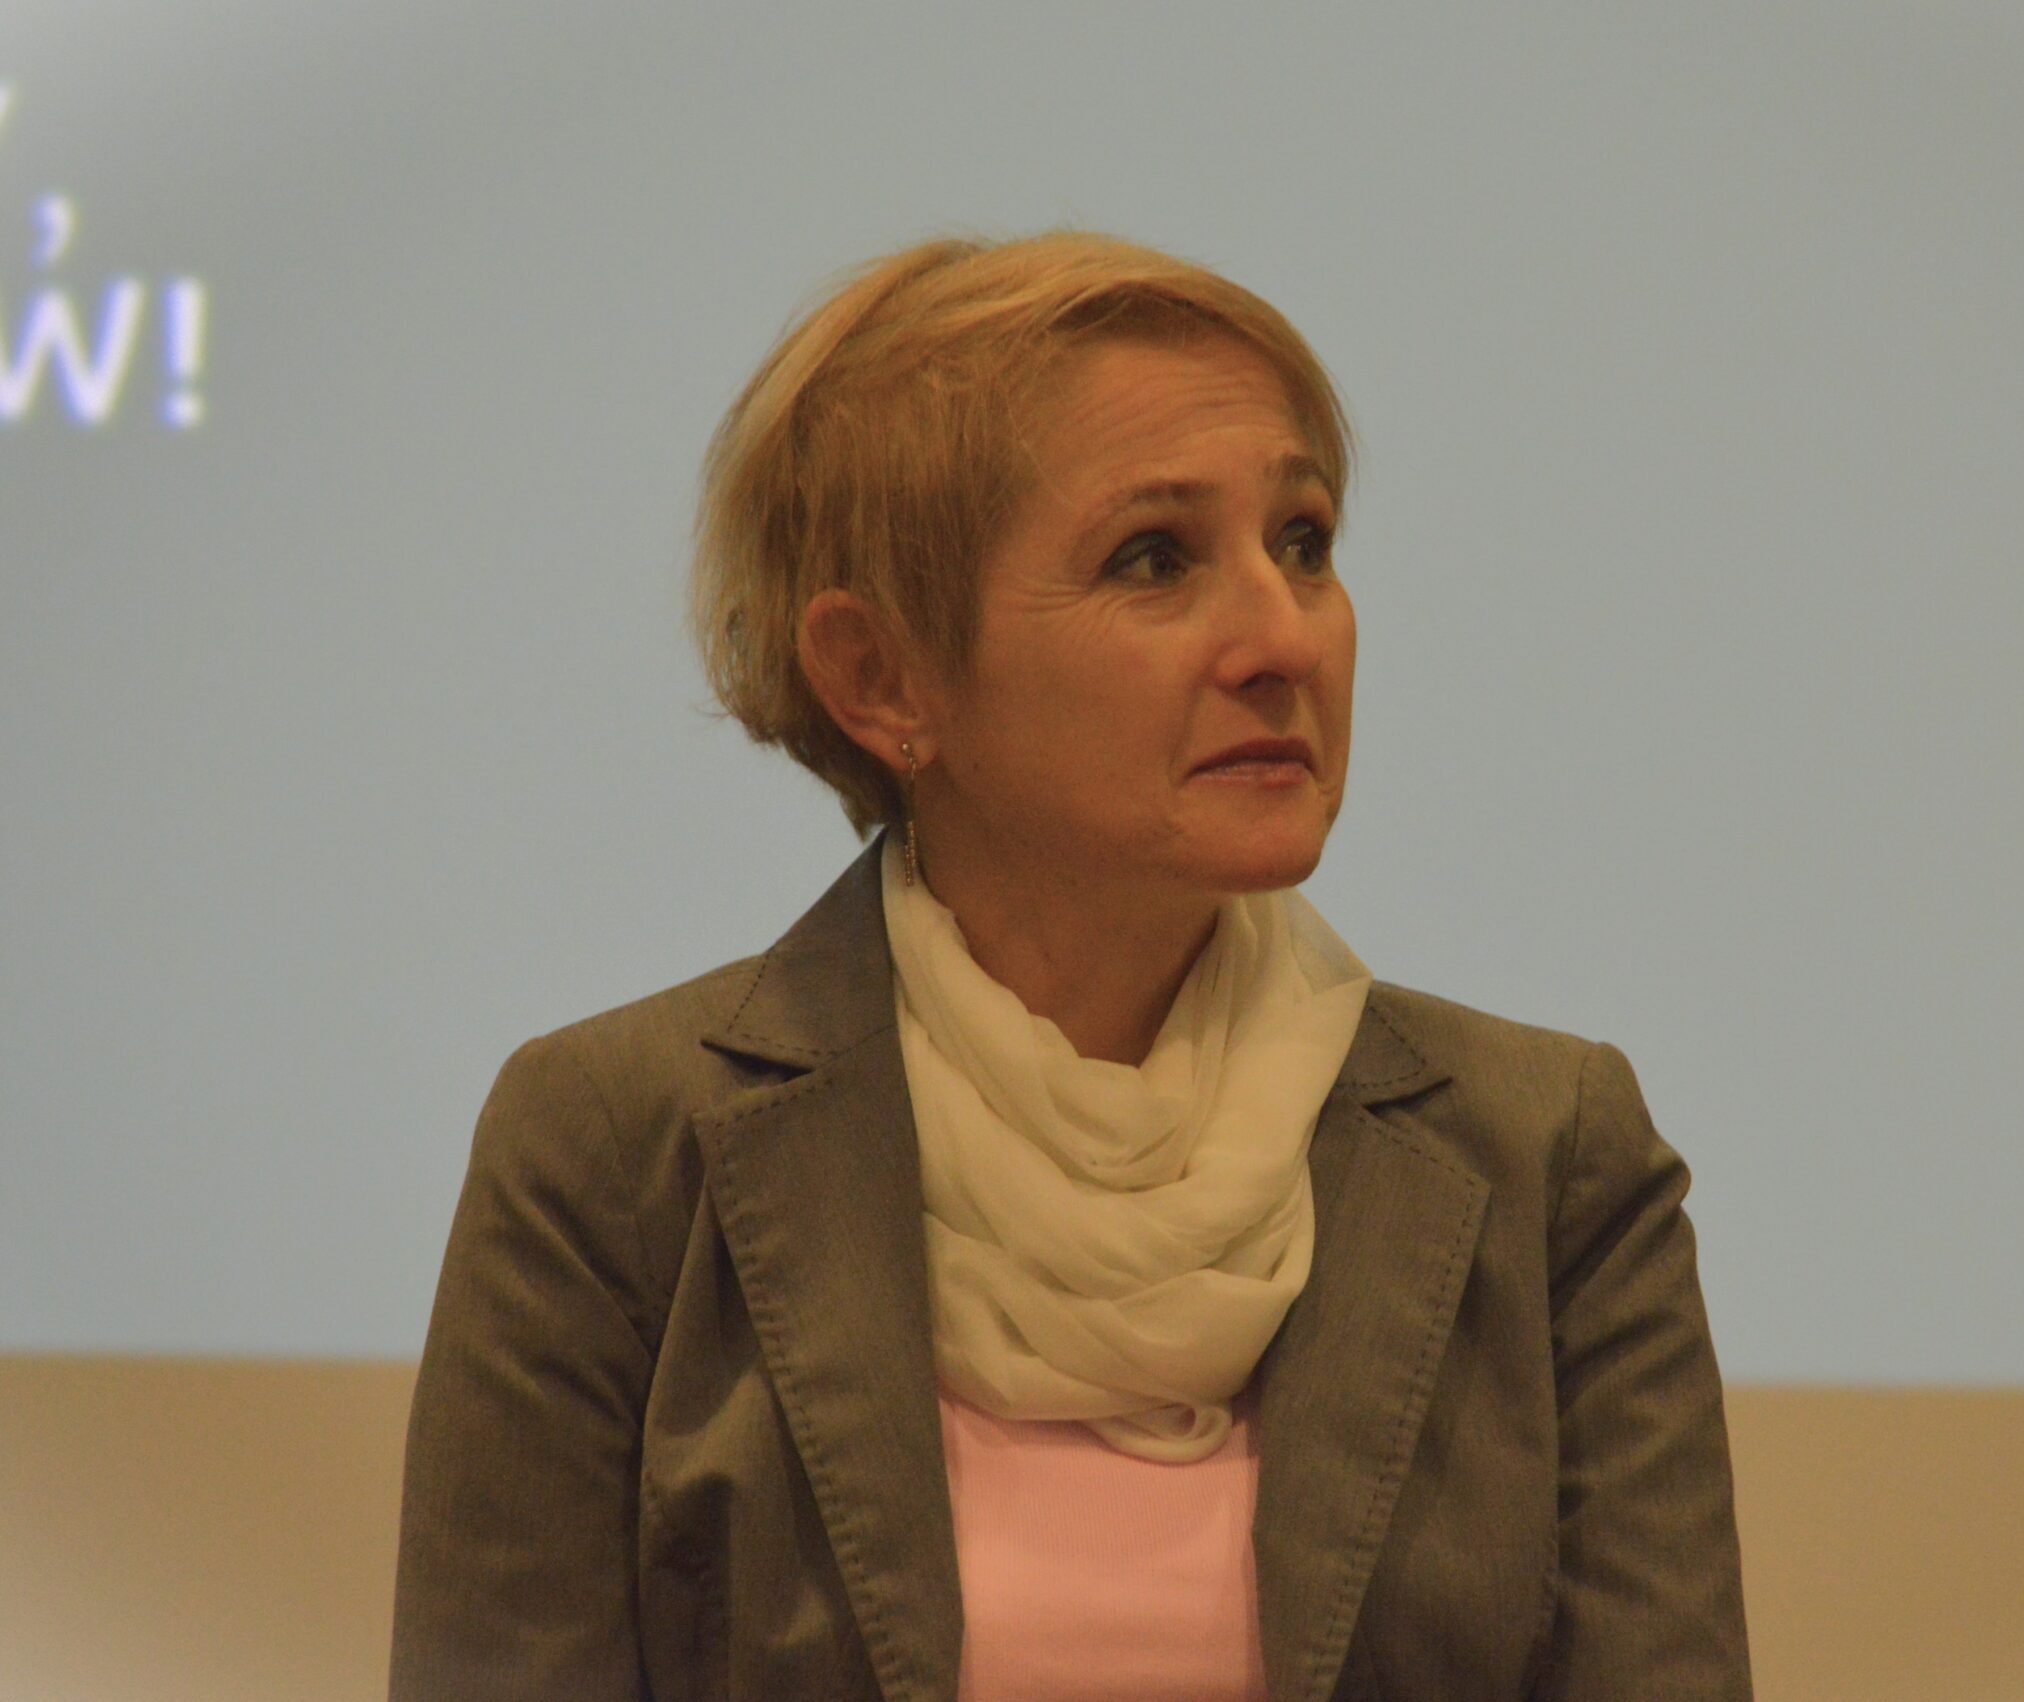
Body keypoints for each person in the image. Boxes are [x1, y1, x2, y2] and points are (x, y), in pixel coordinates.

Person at [390, 231, 1752, 1702]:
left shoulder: (1549, 1162)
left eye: (1304, 542)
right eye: (1154, 559)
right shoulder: (614, 1158)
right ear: (883, 678)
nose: (1283, 638)